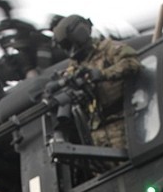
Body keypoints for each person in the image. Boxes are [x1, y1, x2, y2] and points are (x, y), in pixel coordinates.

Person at [52, 14, 140, 150]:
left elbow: (132, 63)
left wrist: (103, 74)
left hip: (121, 122)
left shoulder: (109, 48)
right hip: (95, 131)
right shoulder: (74, 66)